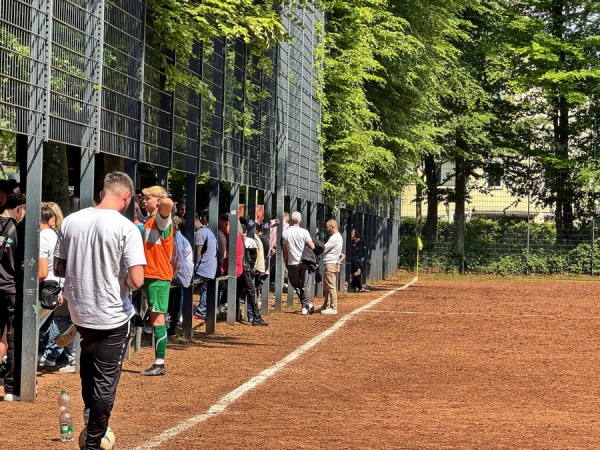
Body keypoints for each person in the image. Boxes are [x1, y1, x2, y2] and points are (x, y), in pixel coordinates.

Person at [54, 171, 145, 448]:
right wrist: (123, 279)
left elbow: (60, 267)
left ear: (103, 192)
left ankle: (89, 418)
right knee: (105, 382)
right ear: (126, 197)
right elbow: (137, 279)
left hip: (81, 312)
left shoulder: (71, 221)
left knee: (88, 368)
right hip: (112, 315)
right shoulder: (126, 228)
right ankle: (93, 442)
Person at [140, 185, 174, 376]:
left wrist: (164, 200)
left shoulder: (161, 219)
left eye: (148, 198)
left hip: (158, 276)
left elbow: (168, 204)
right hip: (150, 275)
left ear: (158, 201)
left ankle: (160, 363)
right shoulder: (150, 220)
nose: (144, 201)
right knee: (153, 318)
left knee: (158, 319)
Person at [37, 202, 76, 372]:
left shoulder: (43, 237)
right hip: (57, 286)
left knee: (42, 323)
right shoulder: (54, 235)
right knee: (58, 322)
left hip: (48, 287)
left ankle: (51, 355)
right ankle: (52, 355)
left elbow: (42, 271)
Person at [0, 192, 26, 401]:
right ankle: (11, 387)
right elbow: (22, 262)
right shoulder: (16, 229)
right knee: (14, 336)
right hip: (10, 288)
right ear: (19, 208)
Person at [281, 211, 315, 315]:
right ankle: (305, 306)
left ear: (291, 220)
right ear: (300, 220)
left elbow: (285, 251)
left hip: (292, 262)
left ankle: (305, 304)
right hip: (304, 261)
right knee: (306, 284)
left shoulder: (285, 233)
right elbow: (312, 246)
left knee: (296, 284)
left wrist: (286, 262)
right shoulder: (304, 232)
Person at [167, 215, 193, 337]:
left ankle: (155, 322)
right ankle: (172, 323)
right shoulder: (180, 239)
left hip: (180, 276)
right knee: (175, 294)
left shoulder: (177, 241)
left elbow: (178, 263)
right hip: (182, 276)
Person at [238, 224, 267, 326]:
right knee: (250, 291)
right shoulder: (240, 240)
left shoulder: (249, 241)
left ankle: (253, 316)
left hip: (246, 269)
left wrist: (254, 267)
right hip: (244, 269)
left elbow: (256, 254)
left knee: (249, 291)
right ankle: (255, 317)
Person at [193, 209, 218, 322]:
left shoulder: (200, 233)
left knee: (187, 288)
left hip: (202, 268)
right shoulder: (209, 231)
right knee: (205, 290)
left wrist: (192, 266)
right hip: (211, 268)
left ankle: (201, 311)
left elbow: (198, 252)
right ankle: (203, 310)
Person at [320, 219, 345, 314]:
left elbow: (324, 248)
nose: (326, 229)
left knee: (330, 286)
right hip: (331, 263)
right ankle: (326, 305)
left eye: (328, 227)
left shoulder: (334, 237)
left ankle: (333, 307)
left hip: (330, 263)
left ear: (332, 227)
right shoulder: (337, 237)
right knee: (327, 286)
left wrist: (316, 247)